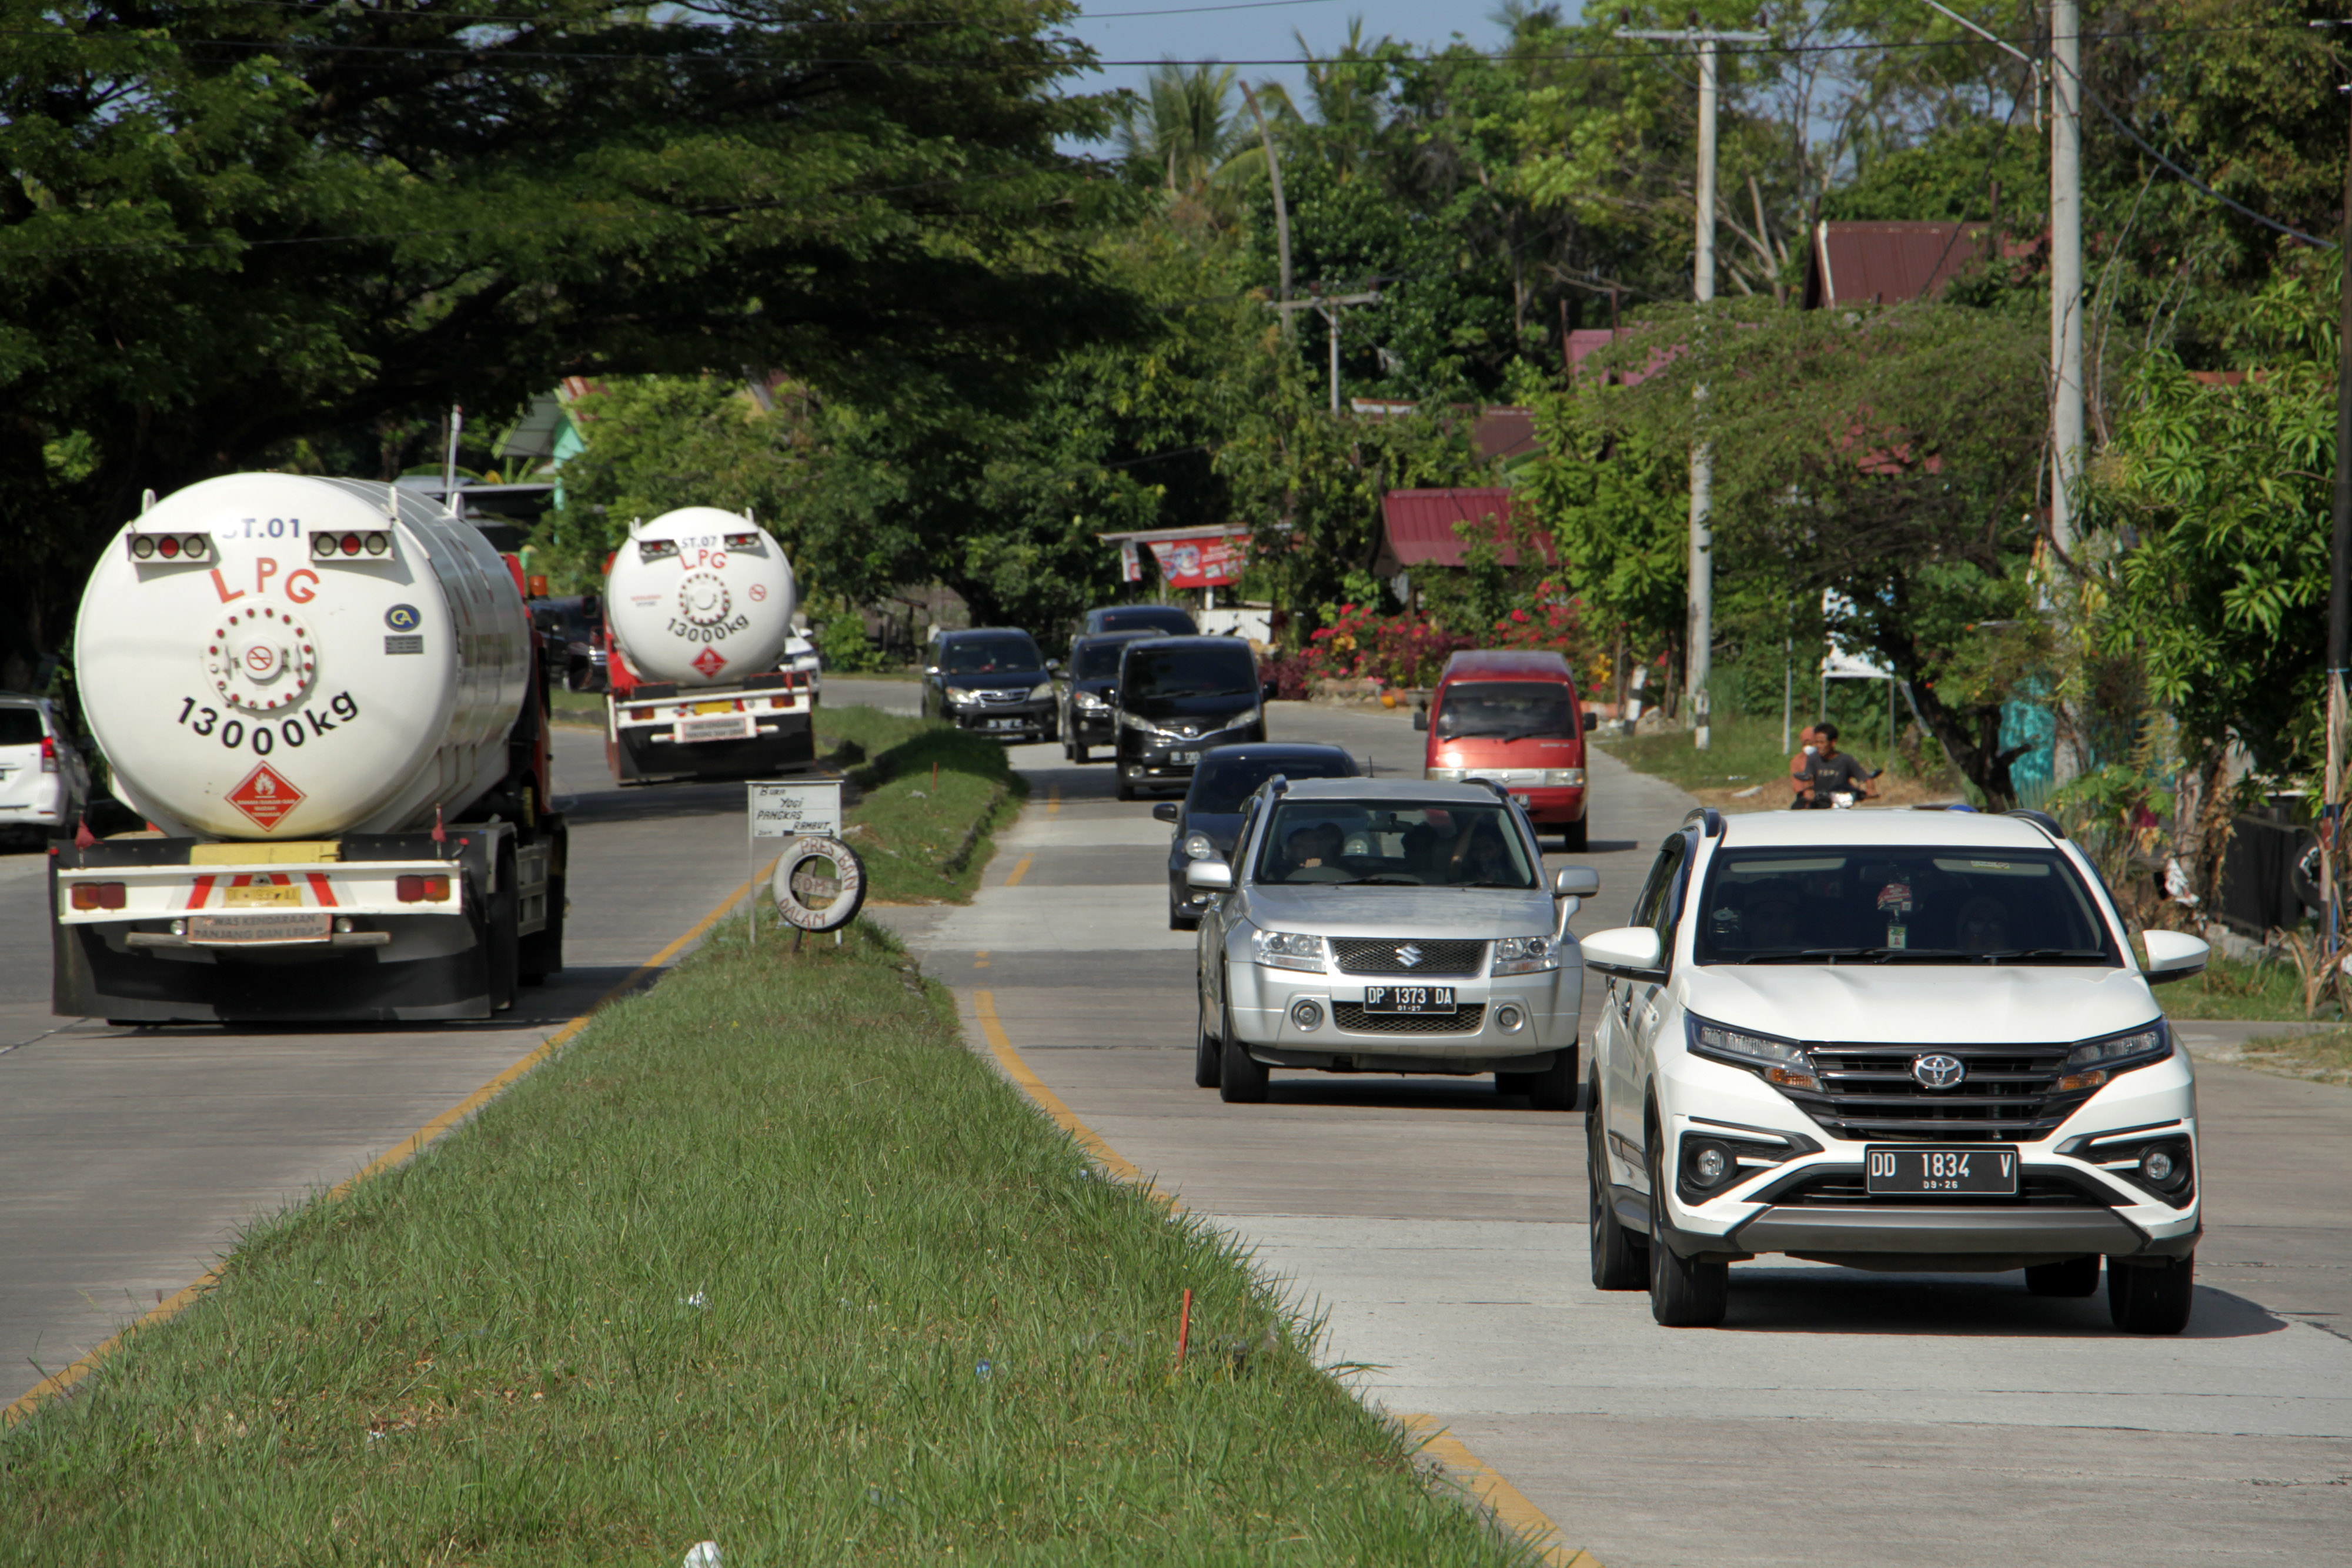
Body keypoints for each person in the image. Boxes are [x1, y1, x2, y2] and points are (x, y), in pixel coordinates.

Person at [1792, 721, 1877, 808]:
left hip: (1841, 802)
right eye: (1817, 742)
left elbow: (1864, 776)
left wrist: (1871, 789)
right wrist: (1808, 790)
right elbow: (1808, 777)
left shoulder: (1846, 760)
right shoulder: (1813, 759)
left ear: (1833, 743)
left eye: (1822, 743)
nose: (1819, 746)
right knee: (1797, 808)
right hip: (1819, 803)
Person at [1787, 724, 1819, 804]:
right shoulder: (1797, 761)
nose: (1809, 747)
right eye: (1806, 744)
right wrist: (1806, 792)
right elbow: (1797, 782)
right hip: (1804, 795)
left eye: (1811, 744)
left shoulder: (1824, 758)